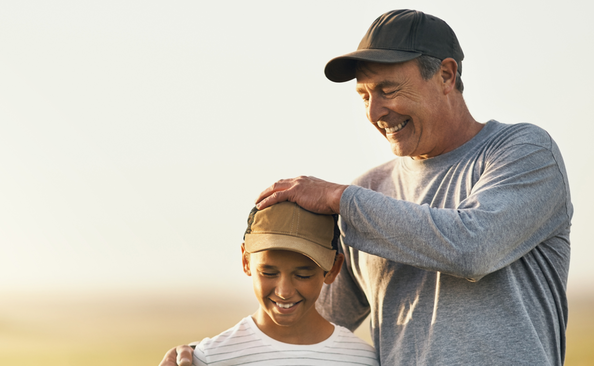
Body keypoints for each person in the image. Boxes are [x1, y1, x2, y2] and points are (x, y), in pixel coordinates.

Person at [163, 8, 572, 366]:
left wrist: (340, 199)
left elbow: (474, 248)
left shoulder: (523, 152)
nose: (376, 112)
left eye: (388, 90)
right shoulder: (370, 191)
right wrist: (209, 355)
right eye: (364, 95)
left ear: (446, 75)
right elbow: (306, 318)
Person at [191, 202, 377, 366]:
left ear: (333, 268)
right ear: (246, 261)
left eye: (303, 275)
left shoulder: (362, 360)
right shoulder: (211, 357)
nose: (284, 292)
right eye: (268, 273)